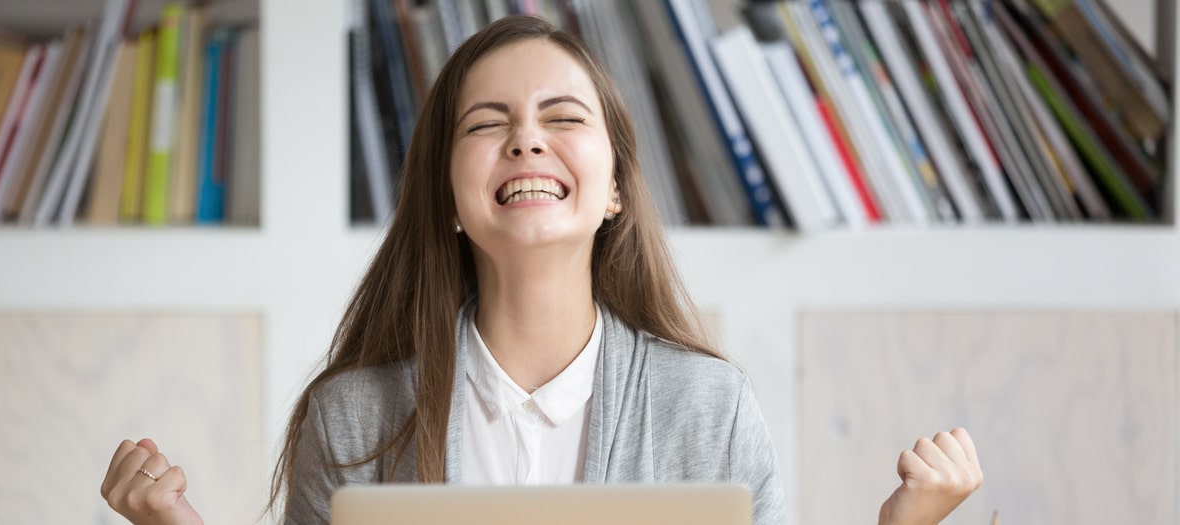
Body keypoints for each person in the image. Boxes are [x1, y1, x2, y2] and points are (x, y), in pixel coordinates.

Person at [100, 15, 982, 525]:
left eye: (562, 116)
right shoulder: (354, 417)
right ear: (447, 191)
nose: (525, 136)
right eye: (487, 123)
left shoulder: (707, 409)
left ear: (613, 192)